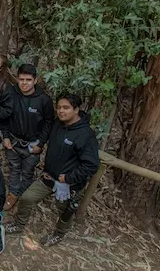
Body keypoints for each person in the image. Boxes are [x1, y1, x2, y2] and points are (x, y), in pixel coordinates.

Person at [6, 93, 100, 246]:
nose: (61, 111)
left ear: (76, 109)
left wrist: (68, 178)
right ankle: (19, 224)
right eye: (59, 107)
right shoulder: (58, 123)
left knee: (65, 210)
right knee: (27, 197)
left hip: (69, 184)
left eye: (66, 108)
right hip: (49, 176)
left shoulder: (86, 135)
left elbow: (91, 165)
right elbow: (46, 134)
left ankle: (59, 234)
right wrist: (40, 145)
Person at [1, 64, 55, 211]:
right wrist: (5, 136)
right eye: (21, 79)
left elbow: (49, 122)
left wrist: (41, 143)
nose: (24, 83)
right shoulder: (11, 93)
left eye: (28, 80)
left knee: (27, 171)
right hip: (13, 140)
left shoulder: (44, 100)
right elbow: (4, 115)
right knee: (14, 168)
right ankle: (13, 195)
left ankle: (23, 197)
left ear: (35, 80)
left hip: (33, 144)